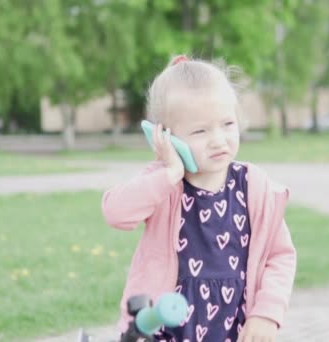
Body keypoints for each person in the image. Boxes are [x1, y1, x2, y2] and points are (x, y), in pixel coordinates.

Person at [102, 55, 296, 342]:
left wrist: (266, 314)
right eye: (200, 131)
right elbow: (115, 213)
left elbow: (280, 256)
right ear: (167, 138)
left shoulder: (254, 187)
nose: (218, 139)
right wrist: (169, 173)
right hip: (166, 330)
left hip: (235, 329)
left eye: (227, 124)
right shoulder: (164, 184)